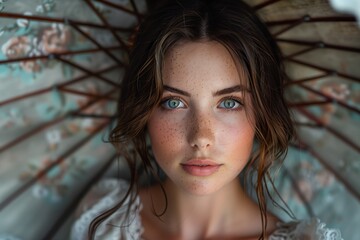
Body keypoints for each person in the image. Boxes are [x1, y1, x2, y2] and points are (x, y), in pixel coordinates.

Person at [70, 0, 343, 239]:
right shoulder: (104, 223)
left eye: (229, 103)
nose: (201, 137)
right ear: (143, 112)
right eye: (173, 102)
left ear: (262, 113)